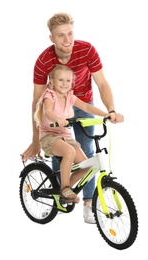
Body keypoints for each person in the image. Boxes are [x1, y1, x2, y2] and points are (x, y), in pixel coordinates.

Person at [21, 12, 124, 224]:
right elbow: (38, 103)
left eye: (70, 33)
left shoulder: (87, 50)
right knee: (60, 155)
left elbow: (102, 83)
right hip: (55, 114)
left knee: (86, 155)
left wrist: (110, 111)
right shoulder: (43, 61)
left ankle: (88, 205)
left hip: (80, 102)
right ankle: (59, 197)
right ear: (51, 38)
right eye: (60, 35)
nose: (67, 40)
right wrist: (35, 139)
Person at [34, 64, 115, 204]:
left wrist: (106, 115)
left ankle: (65, 189)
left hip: (65, 136)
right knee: (69, 152)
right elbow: (48, 112)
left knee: (88, 165)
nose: (65, 84)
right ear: (52, 81)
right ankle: (65, 188)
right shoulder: (49, 95)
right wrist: (57, 119)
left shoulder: (69, 96)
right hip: (49, 136)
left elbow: (86, 106)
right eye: (60, 80)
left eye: (68, 81)